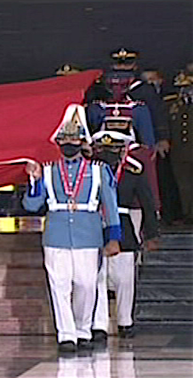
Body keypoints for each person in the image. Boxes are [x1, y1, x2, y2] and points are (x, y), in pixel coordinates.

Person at [22, 104, 121, 353]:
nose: (69, 143)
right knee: (59, 285)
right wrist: (33, 180)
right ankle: (66, 335)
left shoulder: (98, 170)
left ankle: (82, 327)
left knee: (87, 284)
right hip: (56, 235)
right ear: (58, 142)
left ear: (82, 141)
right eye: (64, 139)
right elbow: (32, 205)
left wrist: (114, 236)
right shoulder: (46, 170)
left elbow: (109, 205)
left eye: (74, 139)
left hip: (88, 235)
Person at [90, 130, 159, 343]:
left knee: (124, 280)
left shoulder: (132, 171)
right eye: (102, 150)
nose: (107, 154)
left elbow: (147, 202)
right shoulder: (90, 171)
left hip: (124, 227)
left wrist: (151, 233)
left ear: (122, 150)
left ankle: (124, 321)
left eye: (112, 149)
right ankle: (98, 325)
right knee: (97, 279)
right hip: (95, 227)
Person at [165, 70, 193, 223]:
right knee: (183, 184)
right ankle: (187, 213)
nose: (185, 91)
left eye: (188, 87)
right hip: (179, 152)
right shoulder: (172, 104)